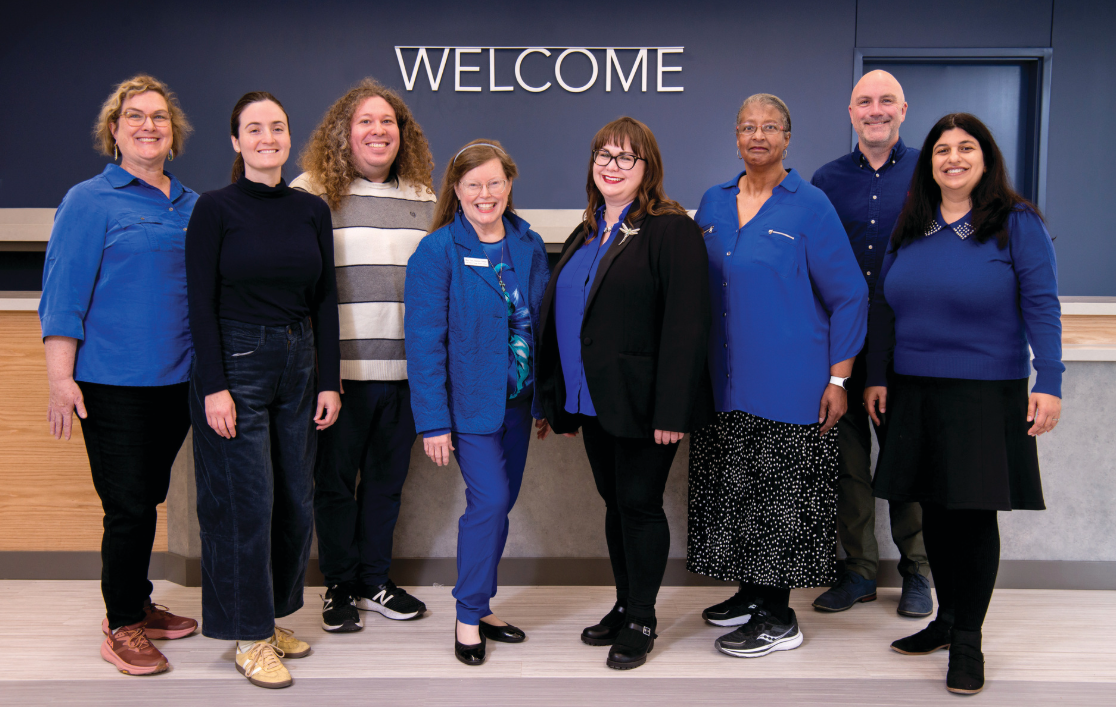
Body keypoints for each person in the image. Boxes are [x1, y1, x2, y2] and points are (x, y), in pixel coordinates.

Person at [865, 112, 1062, 695]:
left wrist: (1050, 380)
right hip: (914, 387)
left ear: (986, 157)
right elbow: (884, 305)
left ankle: (969, 641)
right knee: (935, 511)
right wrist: (877, 375)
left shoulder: (1016, 223)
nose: (953, 158)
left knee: (972, 517)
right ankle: (947, 620)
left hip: (984, 391)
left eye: (966, 147)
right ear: (929, 163)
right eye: (942, 149)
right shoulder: (912, 224)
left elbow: (1042, 304)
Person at [687, 94, 868, 659]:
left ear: (788, 137)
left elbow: (850, 295)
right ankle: (751, 595)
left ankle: (778, 617)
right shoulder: (713, 202)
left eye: (770, 127)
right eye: (748, 126)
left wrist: (839, 380)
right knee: (736, 494)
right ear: (736, 136)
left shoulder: (810, 205)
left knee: (779, 501)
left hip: (791, 385)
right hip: (724, 383)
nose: (758, 136)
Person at [536, 117, 713, 671]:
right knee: (615, 505)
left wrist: (672, 409)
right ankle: (622, 603)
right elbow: (568, 318)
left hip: (644, 403)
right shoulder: (586, 230)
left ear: (647, 167)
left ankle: (641, 619)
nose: (612, 166)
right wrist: (557, 397)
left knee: (639, 505)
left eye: (625, 157)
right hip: (591, 401)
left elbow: (687, 325)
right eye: (604, 155)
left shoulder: (670, 229)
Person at [39, 74, 199, 676]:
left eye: (159, 117)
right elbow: (62, 296)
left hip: (178, 382)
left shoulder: (192, 205)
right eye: (135, 116)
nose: (148, 126)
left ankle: (137, 601)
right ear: (114, 130)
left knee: (147, 499)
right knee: (128, 507)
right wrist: (61, 379)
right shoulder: (89, 201)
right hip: (111, 385)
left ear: (173, 133)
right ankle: (122, 624)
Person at [186, 92, 341, 689]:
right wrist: (215, 387)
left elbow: (324, 299)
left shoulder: (311, 210)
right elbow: (200, 302)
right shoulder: (214, 209)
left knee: (294, 500)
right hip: (236, 364)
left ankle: (268, 619)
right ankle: (248, 640)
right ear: (236, 141)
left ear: (288, 137)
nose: (267, 138)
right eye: (254, 129)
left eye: (276, 127)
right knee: (244, 504)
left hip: (299, 362)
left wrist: (329, 380)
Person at [291, 78, 436, 633]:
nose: (378, 131)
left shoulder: (424, 198)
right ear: (343, 133)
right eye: (365, 121)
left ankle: (375, 580)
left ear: (403, 133)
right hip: (338, 376)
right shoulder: (310, 193)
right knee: (333, 485)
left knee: (385, 483)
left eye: (388, 122)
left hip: (405, 373)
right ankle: (339, 586)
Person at [405, 140, 550, 666]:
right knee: (489, 502)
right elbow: (424, 344)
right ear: (457, 190)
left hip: (519, 403)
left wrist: (543, 403)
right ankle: (468, 615)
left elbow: (543, 327)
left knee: (499, 505)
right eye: (473, 184)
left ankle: (481, 604)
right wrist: (433, 422)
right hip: (468, 405)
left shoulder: (528, 244)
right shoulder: (437, 251)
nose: (484, 193)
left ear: (509, 184)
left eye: (494, 182)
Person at [810, 70, 932, 616]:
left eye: (886, 100)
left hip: (909, 346)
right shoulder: (826, 180)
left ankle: (917, 571)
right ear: (851, 112)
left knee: (906, 462)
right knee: (848, 464)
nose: (875, 109)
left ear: (903, 109)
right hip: (842, 347)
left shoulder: (929, 173)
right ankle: (859, 570)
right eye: (864, 101)